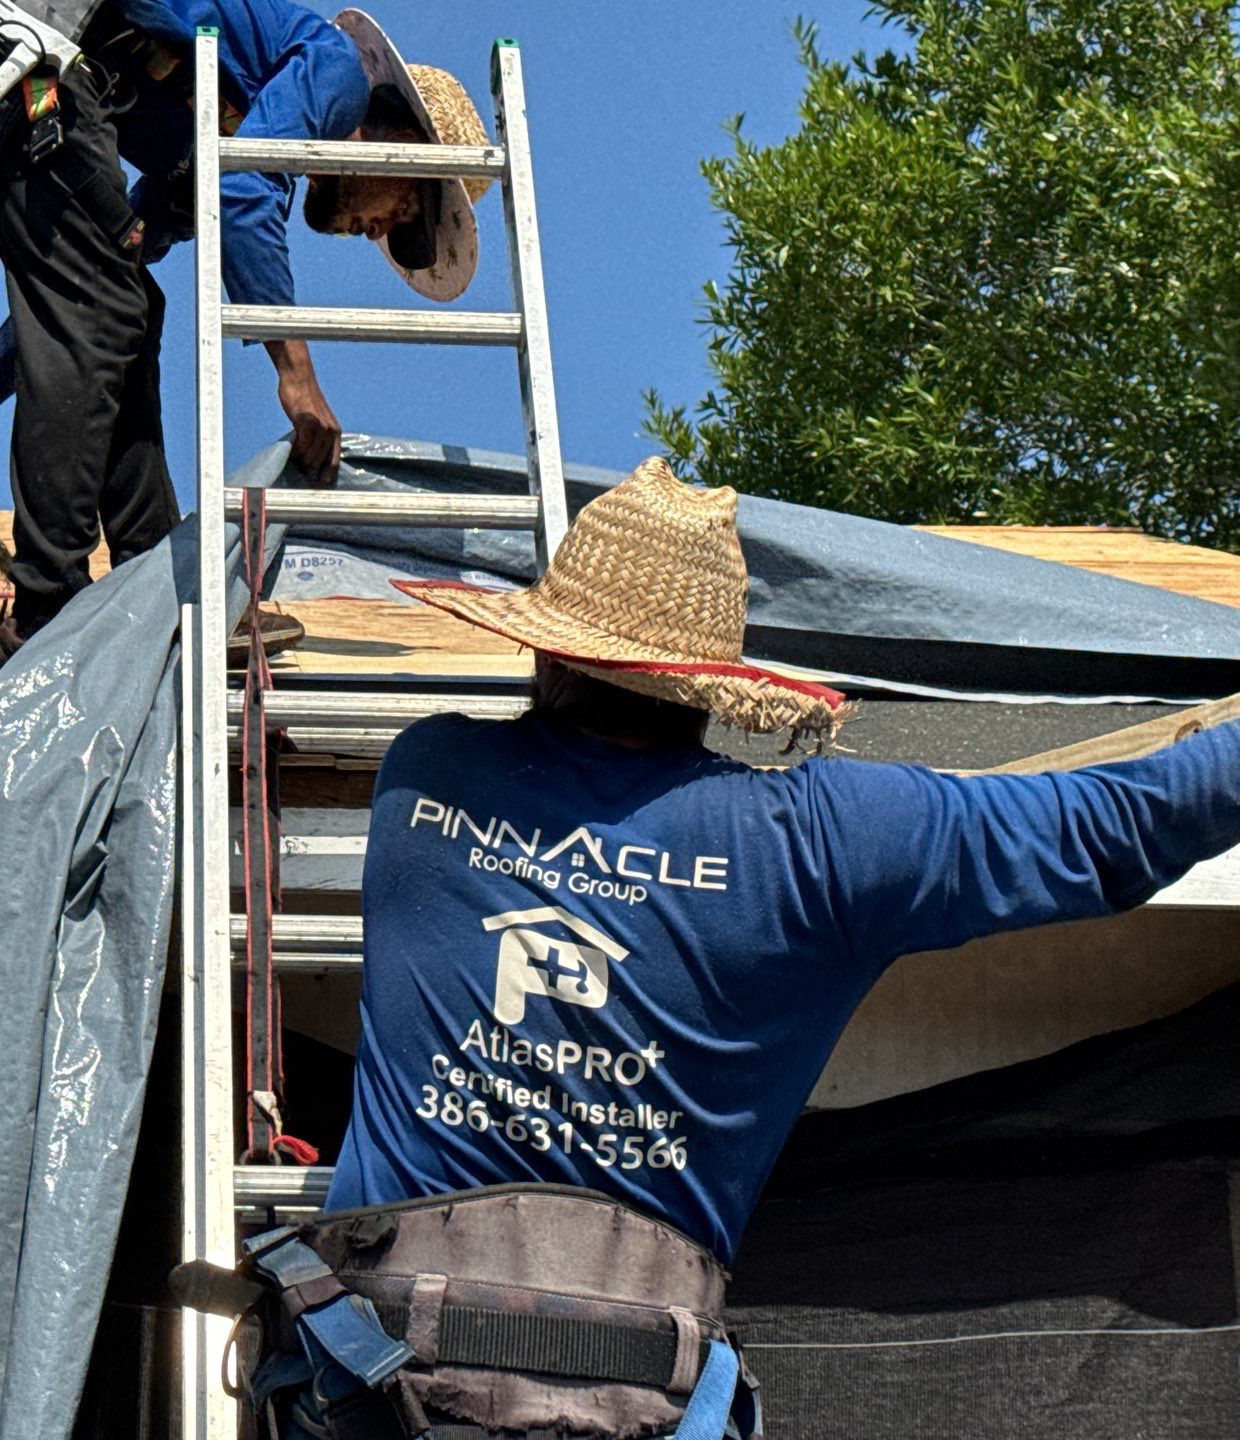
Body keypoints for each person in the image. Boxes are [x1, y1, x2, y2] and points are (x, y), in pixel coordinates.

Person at [244, 460, 1240, 1439]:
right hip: (640, 1410)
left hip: (384, 1395)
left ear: (547, 652)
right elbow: (1128, 825)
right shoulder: (832, 843)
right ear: (714, 688)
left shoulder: (434, 776)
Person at [0, 5, 493, 676]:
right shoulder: (336, 72)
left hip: (31, 73)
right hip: (29, 50)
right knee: (111, 304)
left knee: (124, 299)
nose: (379, 232)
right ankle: (45, 615)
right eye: (404, 208)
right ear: (400, 142)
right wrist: (294, 367)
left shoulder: (205, 139)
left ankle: (159, 587)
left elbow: (89, 284)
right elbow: (243, 197)